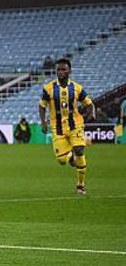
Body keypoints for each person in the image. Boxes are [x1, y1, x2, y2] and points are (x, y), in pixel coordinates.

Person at [38, 58, 96, 195]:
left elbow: (89, 104)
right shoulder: (48, 89)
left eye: (63, 69)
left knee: (80, 151)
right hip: (57, 127)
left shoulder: (77, 88)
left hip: (75, 124)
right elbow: (42, 106)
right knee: (62, 160)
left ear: (69, 70)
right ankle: (72, 156)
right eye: (58, 69)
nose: (60, 72)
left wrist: (90, 114)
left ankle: (80, 186)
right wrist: (42, 122)